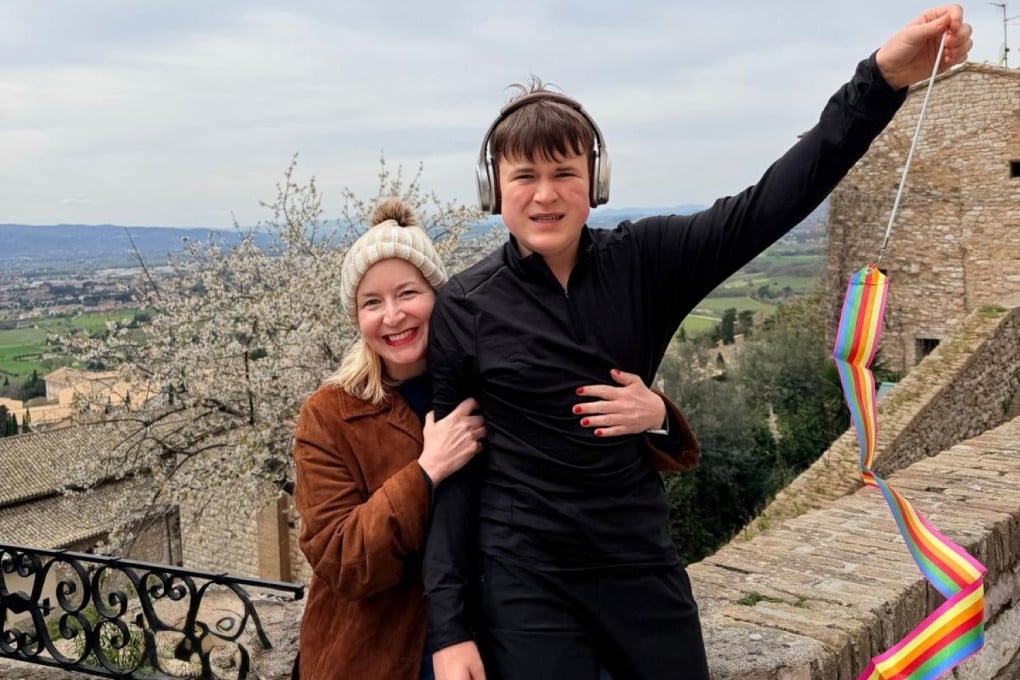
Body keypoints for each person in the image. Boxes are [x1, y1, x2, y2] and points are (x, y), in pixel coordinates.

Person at [423, 5, 973, 680]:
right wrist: (449, 629)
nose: (546, 195)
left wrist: (881, 80)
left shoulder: (645, 260)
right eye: (524, 177)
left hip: (637, 562)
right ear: (495, 191)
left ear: (594, 182)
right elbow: (452, 474)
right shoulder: (464, 307)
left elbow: (771, 202)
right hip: (524, 577)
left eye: (564, 173)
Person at [291, 197, 694, 680]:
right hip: (381, 650)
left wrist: (657, 413)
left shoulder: (493, 378)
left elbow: (578, 447)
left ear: (441, 296)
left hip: (505, 629)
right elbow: (341, 559)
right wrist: (426, 471)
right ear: (356, 317)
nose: (393, 316)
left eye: (407, 293)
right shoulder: (330, 414)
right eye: (371, 302)